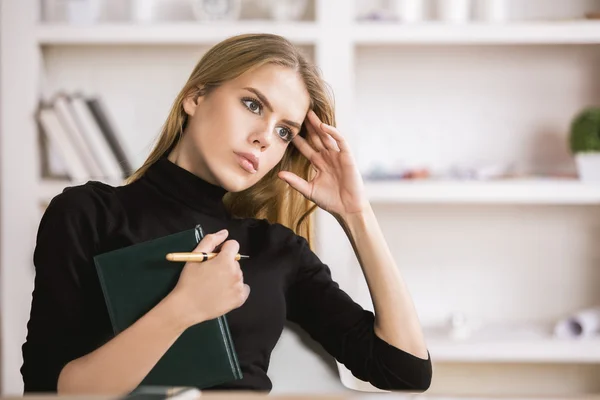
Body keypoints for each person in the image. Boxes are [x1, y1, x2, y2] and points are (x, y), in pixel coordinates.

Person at [21, 33, 432, 395]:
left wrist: (356, 213)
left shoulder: (276, 249)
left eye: (284, 131)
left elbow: (406, 371)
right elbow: (48, 391)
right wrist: (184, 308)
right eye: (253, 105)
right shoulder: (87, 214)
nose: (263, 139)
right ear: (196, 97)